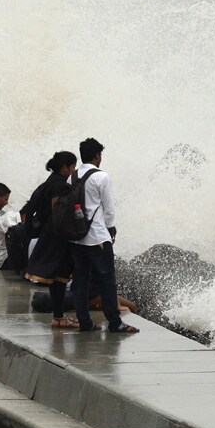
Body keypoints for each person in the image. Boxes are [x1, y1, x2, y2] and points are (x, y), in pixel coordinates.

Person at [69, 137, 138, 334]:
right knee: (107, 280)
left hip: (76, 238)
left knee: (80, 281)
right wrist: (112, 229)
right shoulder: (101, 177)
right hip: (97, 237)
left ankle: (84, 322)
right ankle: (115, 323)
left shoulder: (72, 177)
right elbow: (109, 209)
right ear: (97, 156)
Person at [23, 152, 81, 328]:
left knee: (58, 278)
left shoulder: (50, 181)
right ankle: (58, 316)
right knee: (60, 276)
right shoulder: (58, 185)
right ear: (65, 167)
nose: (74, 170)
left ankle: (59, 316)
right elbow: (58, 212)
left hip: (50, 234)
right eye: (73, 167)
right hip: (57, 236)